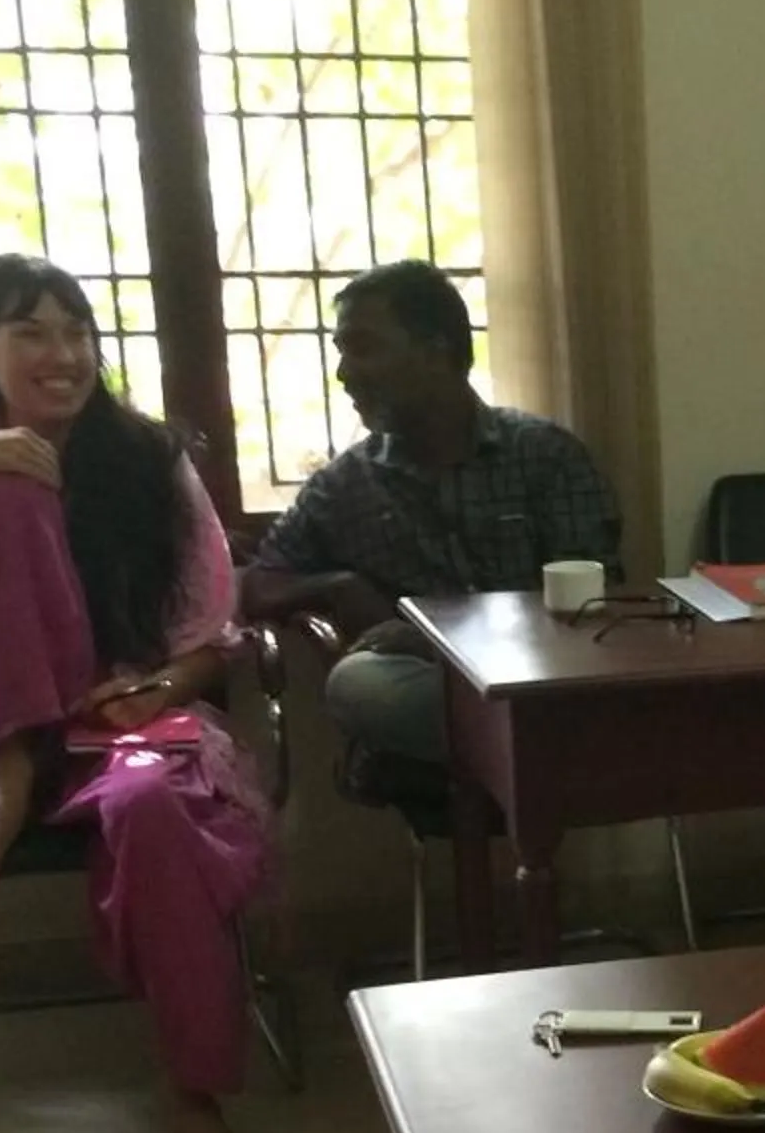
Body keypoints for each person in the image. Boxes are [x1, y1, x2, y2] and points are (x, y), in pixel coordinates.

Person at [0, 255, 275, 1133]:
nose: (63, 354)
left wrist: (156, 692)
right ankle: (13, 777)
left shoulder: (145, 457)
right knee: (8, 487)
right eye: (31, 332)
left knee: (151, 811)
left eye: (77, 331)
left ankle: (192, 1091)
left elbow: (214, 637)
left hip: (116, 724)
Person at [240, 259, 620, 771]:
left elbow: (595, 602)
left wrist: (436, 636)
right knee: (357, 685)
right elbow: (259, 583)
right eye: (342, 352)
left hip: (543, 679)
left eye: (363, 347)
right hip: (434, 696)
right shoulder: (346, 483)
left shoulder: (545, 455)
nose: (344, 373)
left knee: (591, 686)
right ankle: (522, 752)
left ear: (436, 352)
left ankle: (519, 745)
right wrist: (338, 586)